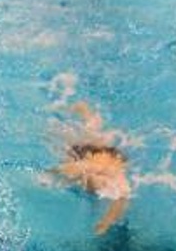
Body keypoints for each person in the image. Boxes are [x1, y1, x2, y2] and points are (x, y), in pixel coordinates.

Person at [51, 101, 132, 236]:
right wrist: (105, 223)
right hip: (96, 160)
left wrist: (106, 222)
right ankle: (85, 112)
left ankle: (84, 112)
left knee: (88, 137)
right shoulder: (92, 170)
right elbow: (121, 198)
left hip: (97, 161)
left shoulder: (105, 175)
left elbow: (121, 198)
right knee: (89, 137)